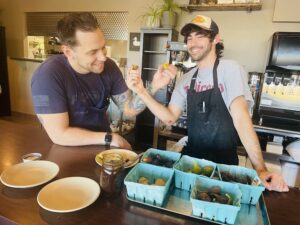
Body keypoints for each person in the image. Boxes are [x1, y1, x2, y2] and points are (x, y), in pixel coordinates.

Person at [127, 15, 288, 192]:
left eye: (200, 35)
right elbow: (170, 118)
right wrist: (143, 91)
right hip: (190, 163)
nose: (193, 43)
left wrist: (261, 169)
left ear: (216, 39)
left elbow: (241, 118)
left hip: (224, 167)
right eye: (189, 38)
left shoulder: (230, 69)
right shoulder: (186, 78)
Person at [31, 12, 154, 149]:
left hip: (102, 145)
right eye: (92, 52)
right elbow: (59, 135)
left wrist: (154, 86)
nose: (103, 57)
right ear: (68, 52)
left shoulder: (109, 67)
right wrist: (111, 138)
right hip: (65, 149)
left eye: (103, 47)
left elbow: (129, 109)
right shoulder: (48, 75)